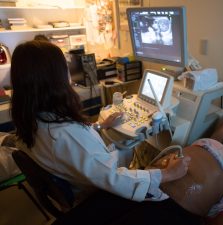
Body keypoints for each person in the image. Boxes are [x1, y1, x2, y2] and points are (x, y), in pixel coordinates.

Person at [10, 40, 191, 207]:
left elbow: (72, 146)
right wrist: (167, 174)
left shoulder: (30, 117)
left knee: (124, 143)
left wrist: (99, 126)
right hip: (94, 191)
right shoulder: (65, 133)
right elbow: (113, 178)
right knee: (131, 146)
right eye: (64, 67)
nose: (69, 72)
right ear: (53, 79)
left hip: (77, 174)